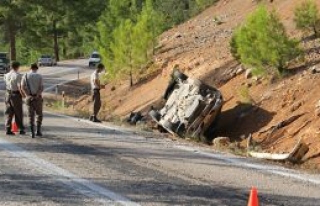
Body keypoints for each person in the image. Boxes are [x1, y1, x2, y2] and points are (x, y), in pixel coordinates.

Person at [21, 63, 44, 138]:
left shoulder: (25, 75)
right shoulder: (39, 76)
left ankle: (32, 132)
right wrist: (37, 95)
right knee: (39, 114)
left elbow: (22, 87)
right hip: (37, 98)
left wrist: (27, 95)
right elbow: (41, 87)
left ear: (30, 68)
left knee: (31, 115)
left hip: (29, 98)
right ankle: (38, 131)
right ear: (36, 68)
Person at [4, 61, 26, 135]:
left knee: (8, 112)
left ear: (11, 66)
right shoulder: (18, 75)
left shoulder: (6, 75)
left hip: (7, 94)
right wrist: (23, 95)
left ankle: (8, 129)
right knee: (18, 112)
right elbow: (19, 86)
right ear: (18, 67)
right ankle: (21, 129)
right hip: (15, 95)